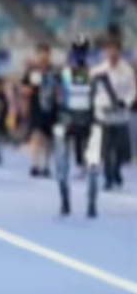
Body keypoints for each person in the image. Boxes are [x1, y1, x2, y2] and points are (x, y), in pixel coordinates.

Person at [53, 35, 100, 217]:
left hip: (79, 119)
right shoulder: (70, 73)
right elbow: (56, 97)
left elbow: (56, 98)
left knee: (90, 162)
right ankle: (73, 201)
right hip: (73, 120)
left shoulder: (89, 73)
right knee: (67, 161)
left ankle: (84, 202)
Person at [90, 38, 136, 190]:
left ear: (119, 52)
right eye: (109, 50)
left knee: (120, 149)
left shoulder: (127, 70)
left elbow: (132, 90)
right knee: (106, 148)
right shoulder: (98, 71)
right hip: (104, 113)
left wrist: (127, 101)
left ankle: (116, 170)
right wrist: (98, 105)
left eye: (115, 50)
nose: (112, 53)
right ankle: (108, 176)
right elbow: (93, 92)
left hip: (121, 114)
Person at [22, 43, 59, 177]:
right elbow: (25, 88)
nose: (44, 56)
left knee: (49, 138)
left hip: (51, 108)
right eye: (41, 53)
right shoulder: (33, 71)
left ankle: (46, 165)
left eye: (46, 53)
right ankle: (35, 164)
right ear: (37, 55)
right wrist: (28, 92)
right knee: (36, 136)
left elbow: (61, 88)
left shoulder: (54, 71)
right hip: (36, 108)